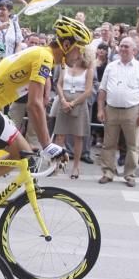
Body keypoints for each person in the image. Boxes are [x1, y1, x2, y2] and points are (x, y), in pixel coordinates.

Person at [0, 16, 88, 189]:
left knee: (22, 152)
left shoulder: (43, 55)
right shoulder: (44, 56)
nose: (81, 55)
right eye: (80, 49)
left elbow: (36, 102)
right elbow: (35, 104)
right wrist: (47, 145)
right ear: (67, 45)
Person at [97, 38, 139, 187]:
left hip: (132, 110)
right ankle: (108, 172)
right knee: (108, 143)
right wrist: (100, 109)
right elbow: (102, 89)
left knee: (132, 145)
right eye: (121, 46)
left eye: (126, 46)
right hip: (112, 109)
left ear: (134, 50)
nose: (123, 49)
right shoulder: (111, 66)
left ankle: (130, 174)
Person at [52, 46, 94, 179]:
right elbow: (58, 84)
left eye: (81, 52)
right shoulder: (65, 65)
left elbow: (88, 91)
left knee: (78, 136)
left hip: (79, 102)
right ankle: (57, 165)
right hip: (64, 100)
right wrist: (63, 100)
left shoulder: (88, 70)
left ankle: (76, 166)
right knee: (60, 136)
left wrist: (73, 103)